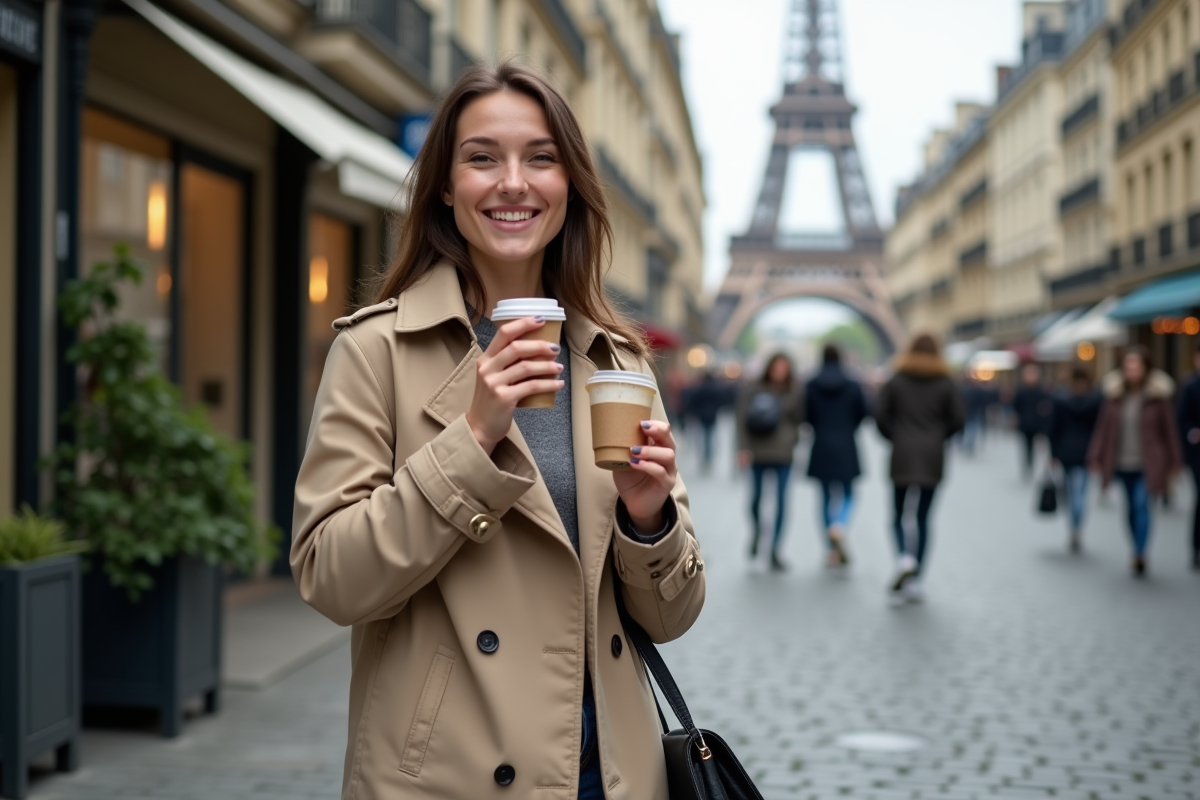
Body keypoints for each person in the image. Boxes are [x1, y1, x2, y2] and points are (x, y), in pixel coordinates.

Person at [290, 63, 706, 800]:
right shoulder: (376, 352)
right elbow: (331, 578)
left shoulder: (618, 360)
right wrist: (472, 441)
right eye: (482, 158)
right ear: (447, 188)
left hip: (607, 777)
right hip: (450, 775)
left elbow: (669, 617)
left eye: (541, 158)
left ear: (569, 184)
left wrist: (649, 521)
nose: (513, 183)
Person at [875, 333, 965, 604]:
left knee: (897, 516)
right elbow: (959, 419)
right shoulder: (945, 383)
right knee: (923, 518)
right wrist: (938, 437)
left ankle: (904, 557)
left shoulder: (897, 381)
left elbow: (879, 416)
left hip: (902, 453)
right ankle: (916, 578)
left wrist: (895, 437)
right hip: (932, 456)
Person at [1088, 347, 1181, 577]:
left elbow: (1170, 430)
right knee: (1130, 507)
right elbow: (1103, 429)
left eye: (1136, 365)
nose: (1131, 369)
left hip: (1150, 462)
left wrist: (1175, 461)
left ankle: (1140, 553)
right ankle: (1135, 547)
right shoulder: (1115, 395)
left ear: (1146, 368)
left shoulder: (1157, 396)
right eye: (1128, 365)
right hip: (1122, 461)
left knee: (1142, 504)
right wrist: (1095, 456)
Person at [737, 352, 804, 570]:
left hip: (783, 453)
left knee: (782, 502)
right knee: (755, 499)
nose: (779, 372)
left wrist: (793, 439)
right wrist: (742, 448)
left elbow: (800, 419)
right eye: (776, 367)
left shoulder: (794, 391)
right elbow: (741, 418)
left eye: (784, 368)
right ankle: (758, 530)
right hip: (758, 451)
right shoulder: (754, 389)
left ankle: (775, 549)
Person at [804, 344, 868, 567]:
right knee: (848, 493)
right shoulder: (852, 384)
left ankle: (830, 548)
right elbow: (863, 412)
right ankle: (839, 524)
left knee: (824, 497)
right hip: (846, 444)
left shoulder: (811, 384)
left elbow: (807, 415)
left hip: (821, 443)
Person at [1049, 365, 1102, 553]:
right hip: (1087, 452)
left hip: (1066, 451)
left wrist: (1053, 454)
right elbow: (1100, 430)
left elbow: (1053, 428)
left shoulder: (1060, 399)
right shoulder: (1096, 400)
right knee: (1080, 491)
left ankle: (1074, 525)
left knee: (1070, 490)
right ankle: (1077, 526)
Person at [1177, 341, 1200, 570]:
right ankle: (1196, 547)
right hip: (1197, 453)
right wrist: (1192, 432)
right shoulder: (1190, 386)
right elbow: (1182, 419)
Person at [683, 368, 730, 473]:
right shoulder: (716, 389)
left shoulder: (701, 388)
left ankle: (704, 457)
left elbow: (693, 400)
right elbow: (722, 399)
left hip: (702, 415)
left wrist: (696, 410)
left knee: (703, 437)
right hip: (712, 415)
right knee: (710, 436)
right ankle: (709, 456)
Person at [1012, 363, 1053, 479]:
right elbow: (1016, 406)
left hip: (1037, 424)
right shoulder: (1021, 391)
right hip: (1025, 424)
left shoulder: (1041, 391)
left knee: (1037, 447)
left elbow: (1046, 408)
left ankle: (1033, 465)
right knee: (1026, 446)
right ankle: (1027, 465)